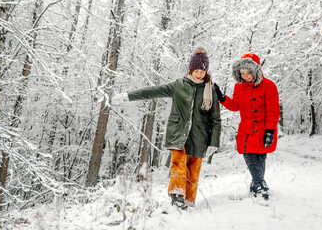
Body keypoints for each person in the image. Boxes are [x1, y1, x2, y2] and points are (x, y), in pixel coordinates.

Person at [113, 46, 221, 209]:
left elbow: (215, 118)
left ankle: (188, 202)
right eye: (196, 70)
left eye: (202, 71)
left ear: (206, 72)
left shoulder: (211, 90)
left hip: (200, 136)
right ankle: (177, 196)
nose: (199, 74)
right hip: (178, 133)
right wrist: (128, 96)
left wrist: (214, 141)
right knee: (178, 163)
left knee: (193, 168)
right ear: (191, 69)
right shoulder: (179, 85)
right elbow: (153, 91)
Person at [214, 53, 280, 200]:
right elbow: (236, 105)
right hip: (246, 129)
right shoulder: (239, 86)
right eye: (242, 73)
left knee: (260, 157)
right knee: (248, 154)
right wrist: (222, 97)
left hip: (263, 128)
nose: (245, 76)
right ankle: (261, 186)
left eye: (248, 72)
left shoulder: (269, 86)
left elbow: (273, 110)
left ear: (256, 71)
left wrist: (270, 130)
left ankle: (255, 185)